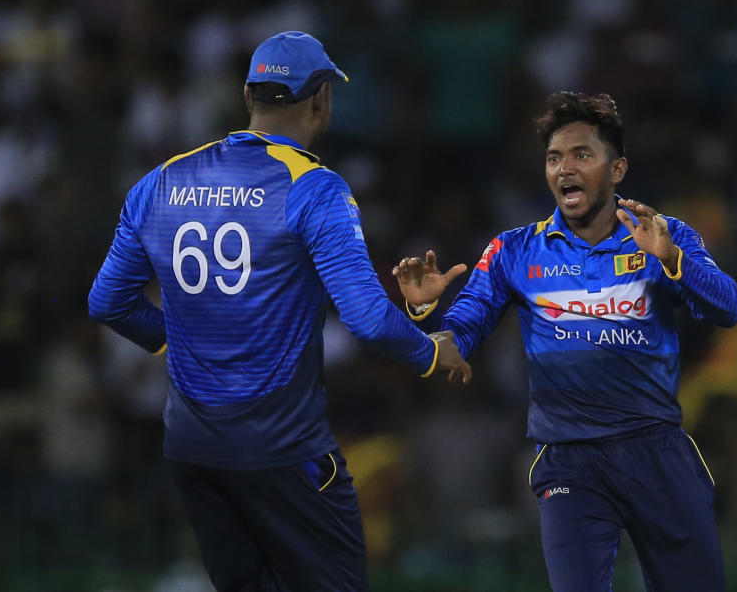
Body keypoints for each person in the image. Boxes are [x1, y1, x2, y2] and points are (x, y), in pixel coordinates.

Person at [88, 31, 471, 592]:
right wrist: (431, 355)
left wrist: (175, 343)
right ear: (320, 100)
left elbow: (107, 302)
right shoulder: (315, 188)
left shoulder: (159, 181)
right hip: (283, 451)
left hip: (194, 451)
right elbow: (365, 319)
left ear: (248, 95)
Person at [393, 91, 737, 591]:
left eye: (582, 155)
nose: (564, 169)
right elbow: (462, 333)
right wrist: (423, 314)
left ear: (617, 169)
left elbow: (727, 307)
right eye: (555, 158)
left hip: (657, 451)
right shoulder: (514, 249)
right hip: (570, 461)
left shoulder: (662, 235)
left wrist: (671, 261)